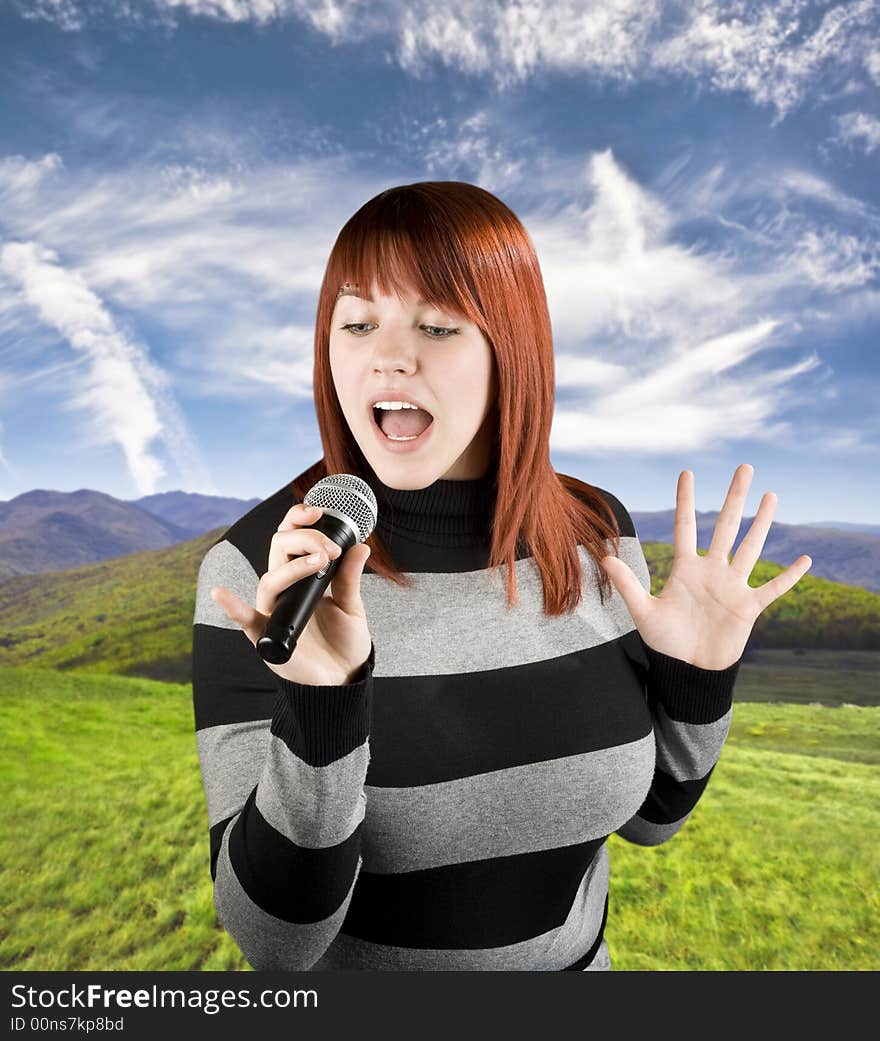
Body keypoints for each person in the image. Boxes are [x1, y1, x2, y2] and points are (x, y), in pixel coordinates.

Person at [191, 181, 812, 971]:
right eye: (356, 322)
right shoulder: (259, 577)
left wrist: (697, 680)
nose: (387, 353)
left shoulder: (596, 532)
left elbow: (653, 818)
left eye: (437, 323)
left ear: (512, 346)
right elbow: (277, 942)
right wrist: (322, 711)